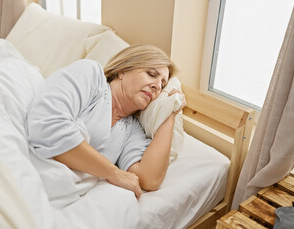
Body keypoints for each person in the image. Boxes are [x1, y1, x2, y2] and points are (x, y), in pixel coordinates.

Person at [26, 44, 185, 200]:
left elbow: (150, 179)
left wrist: (170, 111)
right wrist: (113, 172)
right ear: (123, 71)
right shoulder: (92, 76)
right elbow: (46, 125)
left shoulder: (132, 129)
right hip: (29, 168)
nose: (157, 86)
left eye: (162, 84)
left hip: (55, 191)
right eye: (151, 74)